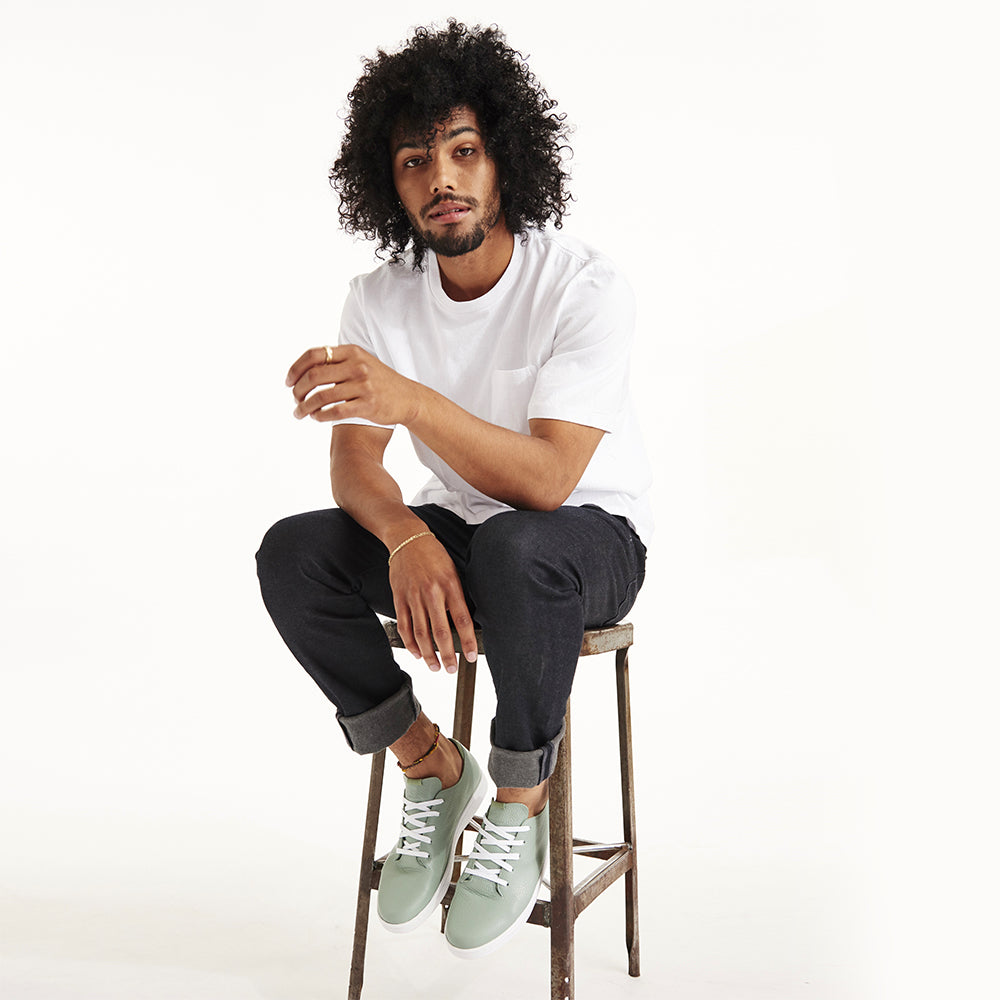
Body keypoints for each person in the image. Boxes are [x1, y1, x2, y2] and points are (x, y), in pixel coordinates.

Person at [255, 20, 652, 959]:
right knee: (294, 553)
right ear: (388, 185)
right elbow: (356, 464)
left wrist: (409, 400)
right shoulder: (380, 297)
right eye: (414, 161)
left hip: (586, 539)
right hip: (465, 534)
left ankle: (519, 798)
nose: (442, 179)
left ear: (505, 157)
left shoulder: (582, 287)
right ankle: (431, 766)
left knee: (518, 543)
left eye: (464, 151)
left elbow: (550, 480)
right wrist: (407, 537)